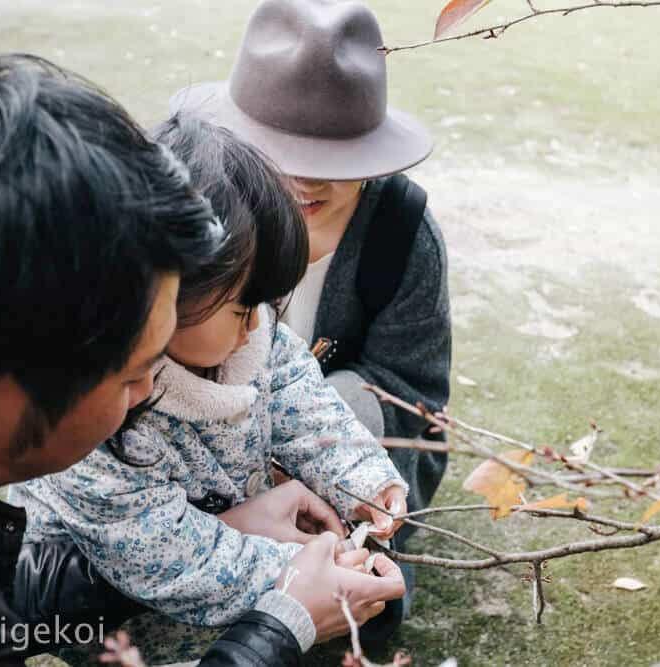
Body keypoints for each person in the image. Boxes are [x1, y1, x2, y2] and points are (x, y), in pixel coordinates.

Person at [0, 53, 404, 667]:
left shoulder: (242, 338)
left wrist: (360, 479)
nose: (141, 395)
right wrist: (294, 594)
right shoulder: (87, 445)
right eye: (134, 373)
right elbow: (166, 559)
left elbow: (307, 404)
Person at [172, 0, 452, 639]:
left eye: (332, 157)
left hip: (338, 443)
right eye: (278, 149)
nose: (301, 176)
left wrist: (351, 486)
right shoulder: (188, 206)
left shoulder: (403, 236)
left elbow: (414, 401)